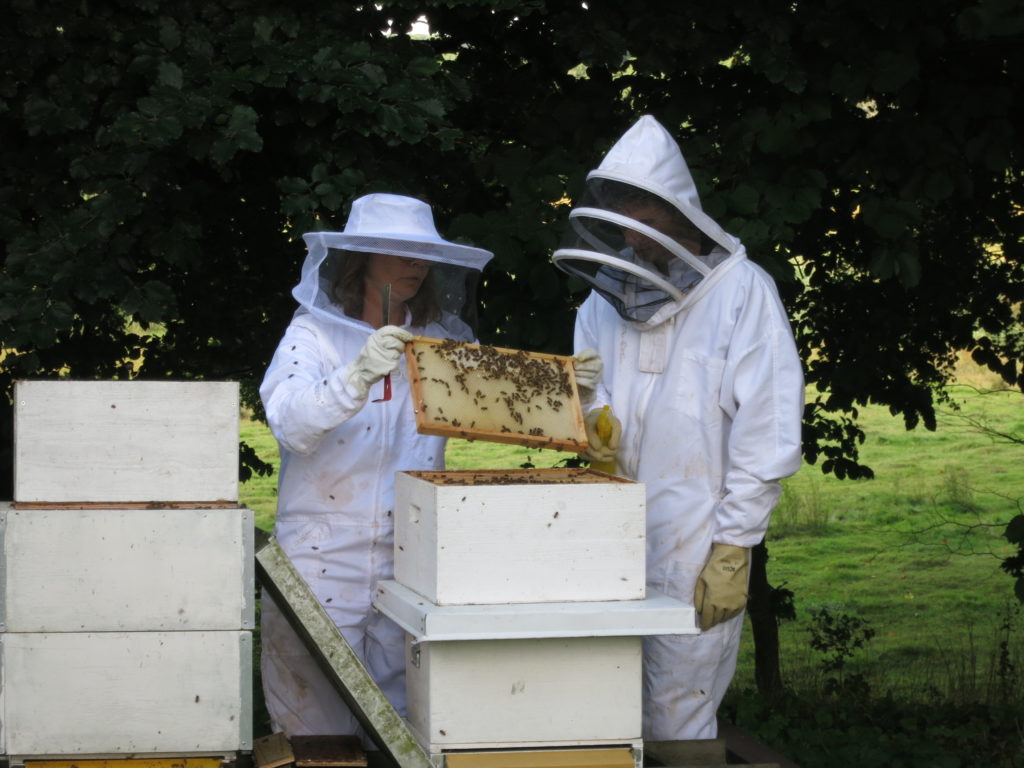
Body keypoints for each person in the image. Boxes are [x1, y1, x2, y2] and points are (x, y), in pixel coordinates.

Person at [554, 116, 804, 740]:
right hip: (611, 535)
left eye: (646, 218)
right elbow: (595, 394)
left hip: (698, 541)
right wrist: (597, 424)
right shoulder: (602, 302)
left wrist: (734, 544)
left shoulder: (743, 294)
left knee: (677, 714)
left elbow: (769, 428)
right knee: (602, 706)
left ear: (676, 212)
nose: (635, 241)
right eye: (624, 223)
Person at [259, 193, 493, 738]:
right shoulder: (312, 335)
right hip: (319, 551)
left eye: (422, 254)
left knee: (400, 725)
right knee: (313, 723)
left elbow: (499, 411)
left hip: (409, 551)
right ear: (361, 258)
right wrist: (355, 375)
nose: (416, 265)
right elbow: (291, 423)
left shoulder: (442, 339)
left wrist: (577, 393)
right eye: (400, 252)